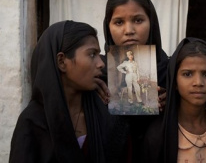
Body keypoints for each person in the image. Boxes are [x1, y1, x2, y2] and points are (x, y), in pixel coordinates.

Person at [9, 20, 128, 163]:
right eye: (92, 54)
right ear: (61, 61)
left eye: (99, 54)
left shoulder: (103, 112)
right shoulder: (32, 122)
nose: (101, 63)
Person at [102, 0, 169, 162]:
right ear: (108, 26)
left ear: (151, 22)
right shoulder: (96, 73)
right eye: (119, 22)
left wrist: (176, 103)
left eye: (138, 20)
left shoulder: (171, 71)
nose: (129, 30)